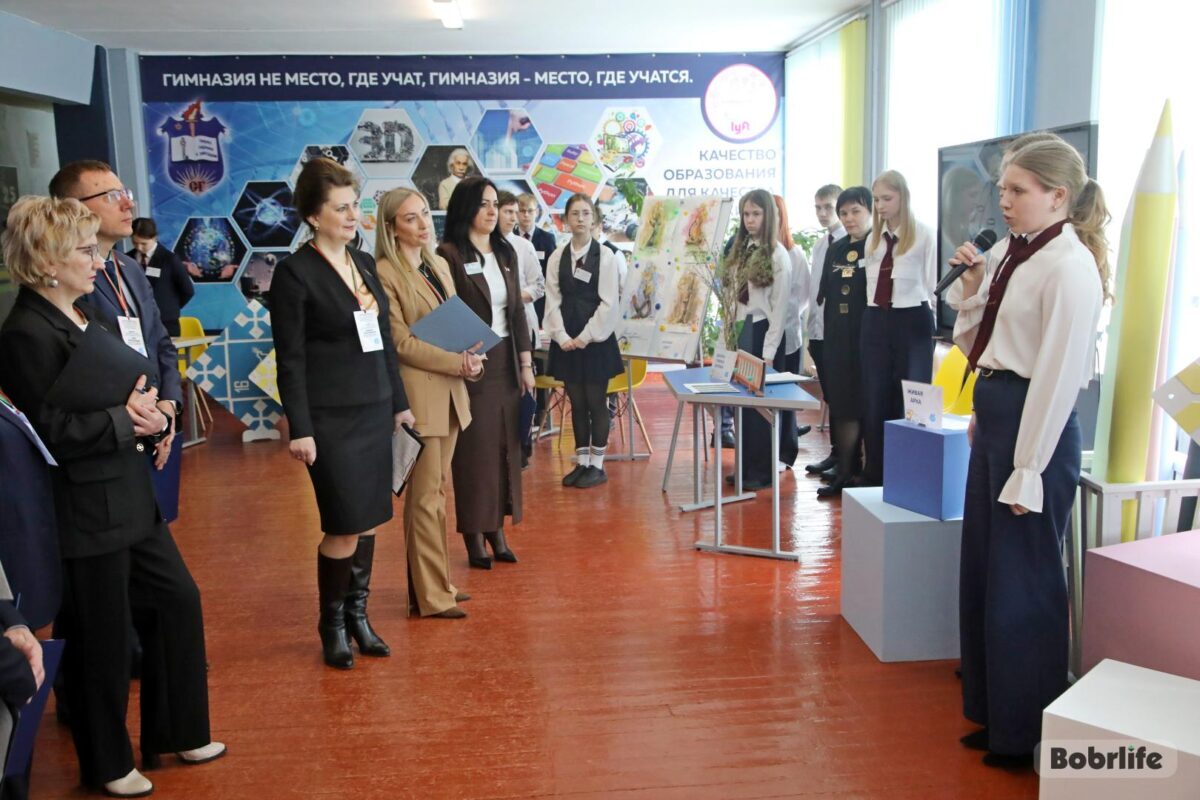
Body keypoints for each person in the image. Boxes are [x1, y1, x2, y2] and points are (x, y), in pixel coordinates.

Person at [0, 196, 223, 798]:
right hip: (85, 509)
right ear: (47, 261)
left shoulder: (85, 314)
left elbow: (128, 383)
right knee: (101, 637)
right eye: (83, 251)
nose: (97, 261)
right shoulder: (24, 334)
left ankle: (177, 730)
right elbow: (51, 431)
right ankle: (105, 762)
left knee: (177, 600)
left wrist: (155, 417)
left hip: (130, 494)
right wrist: (127, 421)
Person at [948, 133, 1106, 767]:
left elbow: (1058, 378)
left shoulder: (1069, 266)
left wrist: (1028, 467)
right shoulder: (1012, 252)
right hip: (999, 414)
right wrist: (974, 284)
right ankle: (996, 716)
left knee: (1024, 582)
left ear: (1058, 196)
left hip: (1034, 429)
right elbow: (979, 344)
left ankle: (1026, 733)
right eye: (1002, 189)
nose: (1004, 201)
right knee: (986, 572)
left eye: (1017, 190)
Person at [270, 158, 416, 665]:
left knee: (369, 518)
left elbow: (384, 343)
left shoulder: (364, 263)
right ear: (313, 215)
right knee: (343, 522)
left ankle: (359, 616)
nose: (353, 216)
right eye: (341, 208)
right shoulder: (295, 274)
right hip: (330, 419)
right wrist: (301, 428)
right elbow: (290, 359)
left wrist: (399, 404)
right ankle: (331, 623)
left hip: (374, 409)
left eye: (355, 205)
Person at [374, 187, 479, 617]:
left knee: (437, 492)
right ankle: (431, 596)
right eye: (410, 218)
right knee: (423, 499)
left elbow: (452, 323)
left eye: (423, 214)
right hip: (420, 397)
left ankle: (437, 584)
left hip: (451, 393)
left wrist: (471, 358)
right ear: (391, 228)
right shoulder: (385, 273)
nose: (423, 224)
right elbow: (400, 343)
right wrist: (457, 362)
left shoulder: (437, 263)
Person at [49, 161, 182, 476]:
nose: (128, 204)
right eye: (111, 196)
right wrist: (141, 417)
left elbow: (160, 342)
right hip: (112, 442)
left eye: (126, 193)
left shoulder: (130, 268)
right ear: (74, 208)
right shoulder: (69, 281)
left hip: (157, 427)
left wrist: (168, 408)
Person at [437, 177, 534, 565]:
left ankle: (497, 529)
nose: (493, 211)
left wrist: (526, 363)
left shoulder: (506, 252)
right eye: (484, 204)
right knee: (475, 454)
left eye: (496, 203)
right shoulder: (448, 255)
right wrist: (463, 354)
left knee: (505, 449)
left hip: (507, 361)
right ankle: (474, 534)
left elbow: (517, 312)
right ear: (466, 208)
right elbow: (443, 313)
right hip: (472, 363)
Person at [859, 170, 937, 486]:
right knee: (874, 397)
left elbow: (935, 287)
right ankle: (875, 473)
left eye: (887, 199)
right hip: (876, 319)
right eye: (876, 199)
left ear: (903, 197)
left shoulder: (924, 235)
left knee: (914, 398)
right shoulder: (873, 239)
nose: (880, 206)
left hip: (912, 320)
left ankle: (914, 475)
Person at [544, 193, 625, 489]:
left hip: (595, 340)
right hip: (567, 340)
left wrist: (585, 337)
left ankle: (597, 465)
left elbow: (609, 303)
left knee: (595, 402)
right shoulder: (557, 256)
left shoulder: (606, 256)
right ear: (566, 220)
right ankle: (582, 462)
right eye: (575, 214)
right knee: (576, 402)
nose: (580, 219)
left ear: (594, 220)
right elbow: (552, 299)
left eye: (586, 213)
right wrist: (562, 336)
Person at [720, 190, 790, 490]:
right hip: (741, 330)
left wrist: (769, 350)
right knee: (743, 403)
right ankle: (745, 465)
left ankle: (762, 471)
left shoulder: (777, 254)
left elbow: (780, 308)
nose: (750, 220)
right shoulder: (739, 250)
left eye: (756, 214)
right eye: (746, 214)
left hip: (763, 333)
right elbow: (730, 298)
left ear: (768, 216)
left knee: (761, 408)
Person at [814, 187, 873, 498]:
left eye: (856, 211)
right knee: (842, 404)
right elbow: (827, 296)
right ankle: (845, 471)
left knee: (866, 406)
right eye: (844, 213)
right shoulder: (836, 249)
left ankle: (864, 474)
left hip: (867, 339)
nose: (849, 218)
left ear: (871, 211)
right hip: (837, 339)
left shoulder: (878, 246)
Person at [498, 191, 546, 467]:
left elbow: (539, 286)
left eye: (515, 213)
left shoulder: (523, 246)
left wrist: (513, 297)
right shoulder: (479, 247)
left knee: (524, 388)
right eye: (508, 212)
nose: (513, 218)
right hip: (494, 331)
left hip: (522, 325)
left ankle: (523, 445)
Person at [804, 184, 844, 477]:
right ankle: (835, 452)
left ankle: (846, 457)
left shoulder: (850, 243)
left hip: (838, 332)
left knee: (843, 398)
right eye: (818, 207)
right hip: (818, 331)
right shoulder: (820, 245)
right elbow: (813, 291)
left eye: (828, 207)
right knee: (830, 395)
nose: (822, 213)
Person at [774, 194, 812, 466]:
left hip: (787, 335)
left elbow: (805, 296)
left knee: (785, 395)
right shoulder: (754, 251)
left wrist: (787, 315)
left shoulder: (794, 253)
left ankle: (785, 454)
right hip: (761, 336)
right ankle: (764, 452)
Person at [128, 217, 195, 337]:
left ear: (154, 238)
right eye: (135, 243)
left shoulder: (170, 259)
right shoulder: (127, 258)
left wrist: (170, 307)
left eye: (144, 244)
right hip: (137, 322)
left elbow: (187, 291)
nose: (139, 247)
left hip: (166, 322)